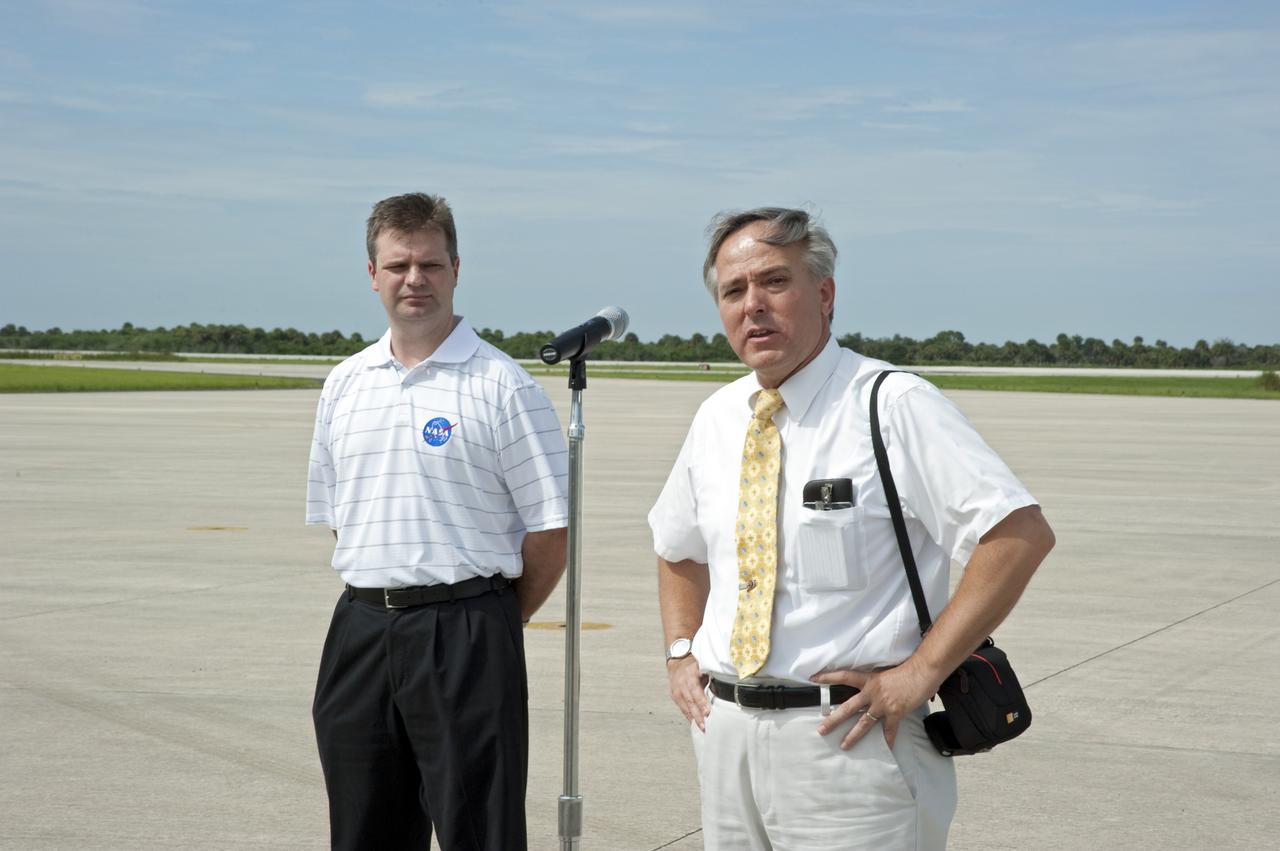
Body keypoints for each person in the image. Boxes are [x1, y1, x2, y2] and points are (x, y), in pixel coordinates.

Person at [649, 207, 1055, 850]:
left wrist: (920, 672)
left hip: (852, 743)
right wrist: (679, 654)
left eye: (774, 282)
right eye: (733, 291)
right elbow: (677, 549)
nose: (752, 305)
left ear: (825, 294)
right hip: (724, 742)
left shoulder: (890, 404)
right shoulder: (718, 417)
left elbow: (1019, 535)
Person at [306, 192, 568, 851]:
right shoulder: (345, 383)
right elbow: (345, 519)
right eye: (397, 265)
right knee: (363, 828)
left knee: (478, 829)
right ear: (372, 274)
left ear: (455, 268)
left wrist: (490, 620)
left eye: (428, 263)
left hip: (466, 633)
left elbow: (550, 533)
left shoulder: (502, 384)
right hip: (361, 630)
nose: (413, 279)